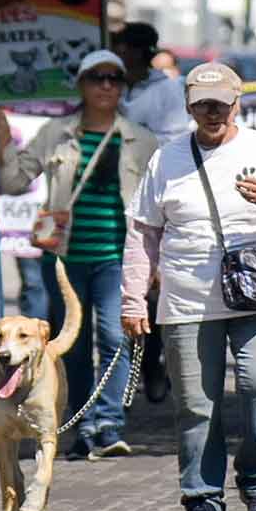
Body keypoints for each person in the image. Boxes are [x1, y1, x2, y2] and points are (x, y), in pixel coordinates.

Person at [121, 63, 256, 511]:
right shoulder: (166, 158)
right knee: (196, 404)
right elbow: (143, 232)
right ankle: (202, 498)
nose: (213, 113)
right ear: (188, 105)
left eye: (221, 104)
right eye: (203, 104)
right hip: (186, 299)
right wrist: (132, 299)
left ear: (237, 102)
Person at [0, 50, 159, 460]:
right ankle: (84, 424)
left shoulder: (141, 138)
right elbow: (13, 181)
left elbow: (158, 205)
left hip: (117, 256)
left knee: (115, 335)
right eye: (97, 78)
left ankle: (108, 423)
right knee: (75, 344)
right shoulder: (57, 132)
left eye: (114, 79)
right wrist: (2, 145)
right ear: (81, 85)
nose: (106, 86)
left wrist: (156, 262)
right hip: (63, 260)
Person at [111, 22, 189, 402]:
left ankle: (153, 361)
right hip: (107, 198)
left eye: (124, 48)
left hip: (149, 194)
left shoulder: (167, 91)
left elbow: (172, 141)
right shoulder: (109, 86)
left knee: (152, 286)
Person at [111, 22, 190, 146]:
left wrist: (137, 141)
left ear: (137, 52)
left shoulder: (169, 89)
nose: (115, 54)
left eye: (121, 49)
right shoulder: (111, 85)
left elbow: (177, 137)